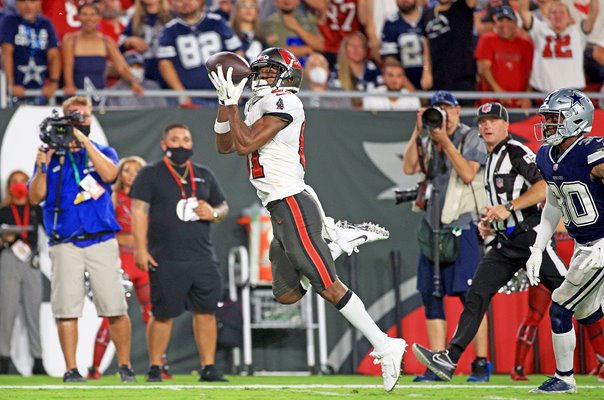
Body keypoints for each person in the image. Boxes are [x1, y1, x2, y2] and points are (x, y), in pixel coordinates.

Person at [208, 46, 406, 392]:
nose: (260, 77)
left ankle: (385, 344)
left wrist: (230, 104)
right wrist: (226, 104)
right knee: (286, 294)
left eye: (269, 72)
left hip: (292, 202)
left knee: (328, 286)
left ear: (286, 74)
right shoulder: (255, 103)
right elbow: (225, 145)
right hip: (277, 206)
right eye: (260, 71)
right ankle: (339, 242)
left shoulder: (286, 101)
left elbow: (244, 145)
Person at [411, 101, 567, 383]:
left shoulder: (515, 150)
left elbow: (545, 186)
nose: (486, 125)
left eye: (494, 120)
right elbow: (498, 203)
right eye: (483, 121)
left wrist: (508, 207)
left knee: (572, 295)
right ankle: (449, 360)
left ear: (506, 125)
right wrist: (492, 222)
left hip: (531, 237)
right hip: (505, 240)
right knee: (476, 296)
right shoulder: (490, 155)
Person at [29, 95, 135, 383]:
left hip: (101, 239)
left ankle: (124, 366)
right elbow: (35, 196)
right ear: (64, 119)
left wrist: (84, 142)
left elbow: (111, 174)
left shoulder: (101, 150)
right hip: (65, 241)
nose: (81, 120)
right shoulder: (51, 156)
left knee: (115, 306)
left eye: (85, 116)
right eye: (75, 116)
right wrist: (41, 166)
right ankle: (71, 369)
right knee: (66, 308)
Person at [402, 90, 490, 382]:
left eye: (447, 108)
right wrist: (419, 131)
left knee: (471, 299)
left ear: (457, 110)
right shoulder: (429, 139)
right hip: (433, 228)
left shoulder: (471, 137)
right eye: (436, 108)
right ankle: (437, 366)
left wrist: (445, 142)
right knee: (432, 296)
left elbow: (467, 174)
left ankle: (480, 363)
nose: (443, 113)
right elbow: (409, 167)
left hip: (463, 226)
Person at [131, 123, 230, 383]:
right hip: (165, 256)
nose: (181, 144)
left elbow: (223, 206)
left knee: (206, 312)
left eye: (186, 139)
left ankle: (208, 367)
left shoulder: (204, 174)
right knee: (162, 314)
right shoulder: (150, 173)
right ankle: (155, 366)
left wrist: (214, 213)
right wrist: (140, 249)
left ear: (192, 144)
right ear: (164, 145)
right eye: (174, 139)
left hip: (202, 256)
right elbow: (139, 212)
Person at [524, 88, 604, 393]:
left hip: (601, 245)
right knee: (586, 312)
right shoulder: (546, 155)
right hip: (584, 246)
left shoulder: (593, 153)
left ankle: (564, 377)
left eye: (553, 118)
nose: (546, 125)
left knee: (560, 306)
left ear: (575, 119)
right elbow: (553, 205)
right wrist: (537, 248)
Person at [86, 156, 172, 380]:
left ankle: (159, 365)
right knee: (112, 314)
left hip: (143, 260)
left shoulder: (152, 200)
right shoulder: (111, 197)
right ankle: (94, 368)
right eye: (127, 170)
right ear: (120, 173)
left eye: (137, 170)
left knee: (153, 314)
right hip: (121, 259)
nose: (132, 174)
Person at [0, 170, 46, 376]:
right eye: (14, 182)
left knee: (33, 311)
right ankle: (3, 358)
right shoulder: (3, 211)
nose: (18, 185)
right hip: (9, 259)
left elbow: (51, 230)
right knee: (6, 311)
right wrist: (5, 239)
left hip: (31, 261)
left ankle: (38, 360)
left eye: (22, 181)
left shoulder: (36, 209)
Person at [157, 0, 242, 106]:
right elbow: (165, 64)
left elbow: (237, 54)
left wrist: (235, 84)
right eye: (179, 0)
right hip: (192, 96)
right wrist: (181, 93)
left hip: (225, 93)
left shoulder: (218, 22)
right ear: (172, 4)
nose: (185, 2)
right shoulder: (169, 30)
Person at [62, 3, 144, 98]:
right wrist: (69, 85)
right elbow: (68, 64)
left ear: (99, 17)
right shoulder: (71, 40)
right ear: (78, 17)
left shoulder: (106, 41)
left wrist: (133, 82)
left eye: (92, 14)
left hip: (100, 96)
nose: (89, 18)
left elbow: (121, 67)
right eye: (84, 14)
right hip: (76, 95)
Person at [518, 0, 599, 94]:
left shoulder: (578, 31)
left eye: (562, 12)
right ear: (548, 16)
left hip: (572, 93)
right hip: (543, 91)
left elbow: (594, 12)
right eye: (554, 12)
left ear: (569, 17)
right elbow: (523, 11)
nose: (558, 16)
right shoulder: (539, 29)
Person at [0, 0, 61, 105]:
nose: (28, 6)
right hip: (14, 93)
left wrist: (53, 83)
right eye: (23, 1)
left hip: (40, 91)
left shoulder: (46, 23)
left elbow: (54, 55)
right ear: (17, 4)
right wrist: (10, 84)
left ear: (39, 3)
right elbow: (6, 53)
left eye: (32, 1)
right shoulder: (10, 21)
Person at [474, 5, 534, 108]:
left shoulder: (526, 44)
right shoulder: (487, 40)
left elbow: (531, 73)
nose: (504, 24)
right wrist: (499, 92)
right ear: (495, 23)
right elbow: (483, 69)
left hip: (519, 105)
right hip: (491, 104)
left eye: (508, 20)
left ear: (515, 23)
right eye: (501, 20)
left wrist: (527, 96)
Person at [420, 0, 476, 97]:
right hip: (437, 79)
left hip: (463, 78)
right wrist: (426, 72)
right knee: (438, 111)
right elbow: (426, 46)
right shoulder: (427, 14)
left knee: (465, 111)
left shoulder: (462, 7)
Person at [380, 0, 432, 91]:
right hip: (404, 84)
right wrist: (406, 84)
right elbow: (390, 59)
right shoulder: (391, 23)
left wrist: (427, 71)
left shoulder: (430, 17)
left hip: (434, 77)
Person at [120, 0, 173, 85]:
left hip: (168, 72)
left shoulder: (172, 17)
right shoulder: (134, 18)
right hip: (143, 73)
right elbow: (120, 44)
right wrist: (130, 41)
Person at [260, 0, 324, 63]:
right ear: (275, 1)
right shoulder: (269, 24)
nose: (287, 1)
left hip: (309, 67)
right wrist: (309, 49)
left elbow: (321, 46)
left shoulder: (308, 21)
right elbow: (278, 53)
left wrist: (297, 28)